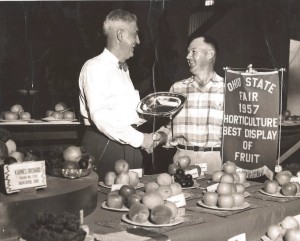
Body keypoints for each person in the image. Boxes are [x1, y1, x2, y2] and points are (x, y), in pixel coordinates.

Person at [78, 9, 154, 181]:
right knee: (105, 200)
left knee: (131, 198)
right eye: (135, 34)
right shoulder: (95, 67)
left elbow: (123, 113)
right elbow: (101, 116)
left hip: (129, 143)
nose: (138, 41)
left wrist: (147, 115)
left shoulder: (122, 68)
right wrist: (140, 139)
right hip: (107, 145)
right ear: (120, 34)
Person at [153, 36, 224, 175]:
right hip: (181, 159)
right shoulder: (177, 89)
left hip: (215, 162)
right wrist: (161, 136)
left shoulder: (228, 89)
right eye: (188, 52)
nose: (187, 56)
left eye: (193, 51)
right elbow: (170, 127)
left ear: (209, 54)